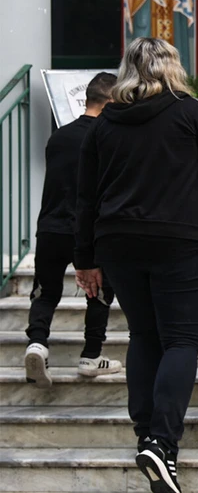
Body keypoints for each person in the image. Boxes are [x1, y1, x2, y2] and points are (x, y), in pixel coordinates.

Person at [74, 38, 198, 493]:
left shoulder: (105, 122)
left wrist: (85, 258)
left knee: (144, 336)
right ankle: (162, 441)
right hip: (179, 239)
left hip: (117, 242)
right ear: (173, 67)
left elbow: (85, 197)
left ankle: (146, 434)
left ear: (128, 69)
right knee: (182, 340)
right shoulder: (190, 113)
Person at [24, 73, 122, 388]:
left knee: (45, 292)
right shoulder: (107, 137)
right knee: (99, 292)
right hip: (88, 230)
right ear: (110, 101)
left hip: (50, 227)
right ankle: (91, 355)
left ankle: (37, 344)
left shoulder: (59, 137)